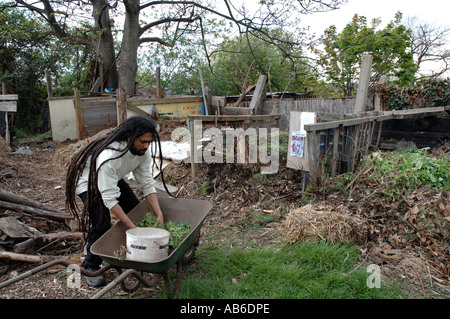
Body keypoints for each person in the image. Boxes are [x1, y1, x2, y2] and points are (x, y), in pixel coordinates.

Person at [66, 116, 171, 287]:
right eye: (143, 141)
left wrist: (158, 212)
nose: (146, 146)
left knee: (137, 211)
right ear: (130, 138)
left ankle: (136, 251)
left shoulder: (142, 152)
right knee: (102, 223)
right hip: (88, 183)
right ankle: (90, 266)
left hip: (111, 179)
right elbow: (109, 199)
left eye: (149, 142)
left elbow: (146, 182)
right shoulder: (109, 157)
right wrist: (133, 229)